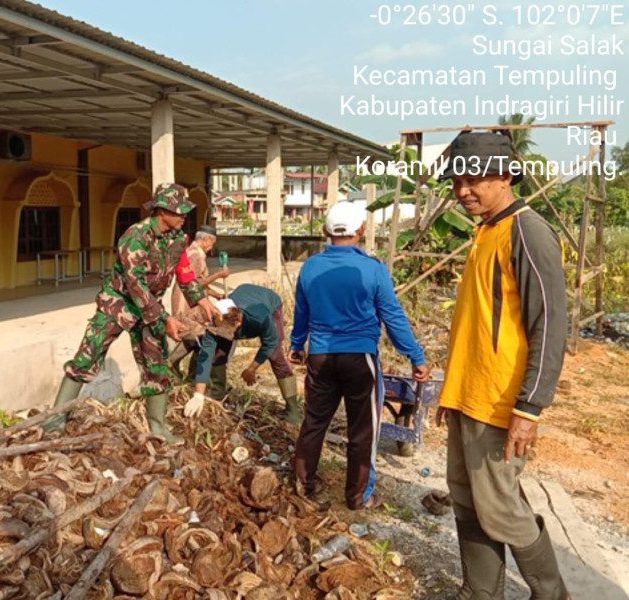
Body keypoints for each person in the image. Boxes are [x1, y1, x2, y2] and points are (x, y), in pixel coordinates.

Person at [435, 131, 570, 599]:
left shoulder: (527, 231)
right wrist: (450, 391)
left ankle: (552, 592)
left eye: (473, 180)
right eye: (457, 181)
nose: (462, 190)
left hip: (500, 401)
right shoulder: (485, 231)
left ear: (506, 175)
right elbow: (475, 323)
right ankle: (481, 592)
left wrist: (530, 407)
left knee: (500, 508)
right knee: (467, 500)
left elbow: (549, 324)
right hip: (469, 396)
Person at [45, 183, 217, 443]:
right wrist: (165, 318)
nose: (184, 216)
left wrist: (201, 300)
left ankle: (158, 428)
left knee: (157, 366)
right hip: (119, 304)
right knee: (86, 358)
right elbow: (135, 284)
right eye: (178, 211)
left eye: (185, 212)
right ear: (161, 211)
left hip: (150, 308)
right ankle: (54, 421)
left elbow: (184, 272)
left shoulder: (179, 239)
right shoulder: (136, 236)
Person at [289, 201, 429, 510]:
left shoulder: (311, 266)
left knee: (314, 422)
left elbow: (302, 311)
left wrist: (297, 344)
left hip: (321, 356)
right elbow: (393, 316)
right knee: (363, 429)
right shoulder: (373, 268)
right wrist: (416, 357)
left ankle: (303, 486)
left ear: (327, 231)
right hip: (359, 358)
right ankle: (358, 497)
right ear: (362, 231)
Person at [182, 284, 302, 424]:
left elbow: (270, 343)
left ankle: (292, 407)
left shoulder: (259, 317)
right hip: (239, 303)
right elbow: (206, 356)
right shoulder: (216, 321)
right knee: (218, 352)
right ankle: (217, 394)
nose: (223, 334)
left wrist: (252, 368)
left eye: (226, 331)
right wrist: (198, 394)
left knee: (276, 356)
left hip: (270, 303)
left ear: (238, 323)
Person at [169, 225, 229, 379]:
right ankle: (190, 374)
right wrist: (218, 274)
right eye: (212, 243)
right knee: (202, 339)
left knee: (194, 339)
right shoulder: (196, 255)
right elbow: (193, 284)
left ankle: (183, 371)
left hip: (193, 304)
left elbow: (200, 285)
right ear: (205, 239)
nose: (211, 247)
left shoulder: (194, 252)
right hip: (188, 306)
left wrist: (218, 295)